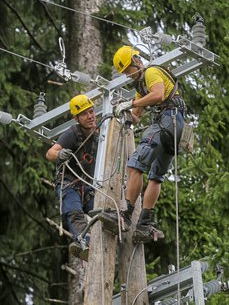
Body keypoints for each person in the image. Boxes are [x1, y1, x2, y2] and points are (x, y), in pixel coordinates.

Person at [100, 45, 186, 243]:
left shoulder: (151, 72)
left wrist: (130, 104)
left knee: (135, 164)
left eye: (128, 70)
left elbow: (158, 95)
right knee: (156, 176)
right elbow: (137, 116)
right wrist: (124, 113)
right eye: (125, 73)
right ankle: (144, 224)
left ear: (137, 61)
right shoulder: (140, 87)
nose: (129, 75)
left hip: (168, 119)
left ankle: (126, 216)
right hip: (174, 127)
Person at [46, 94, 99, 261]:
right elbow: (50, 153)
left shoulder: (101, 133)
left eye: (91, 112)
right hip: (69, 184)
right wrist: (61, 153)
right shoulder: (72, 133)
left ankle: (104, 240)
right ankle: (85, 242)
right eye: (85, 114)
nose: (90, 116)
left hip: (89, 186)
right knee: (74, 212)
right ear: (77, 118)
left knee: (103, 213)